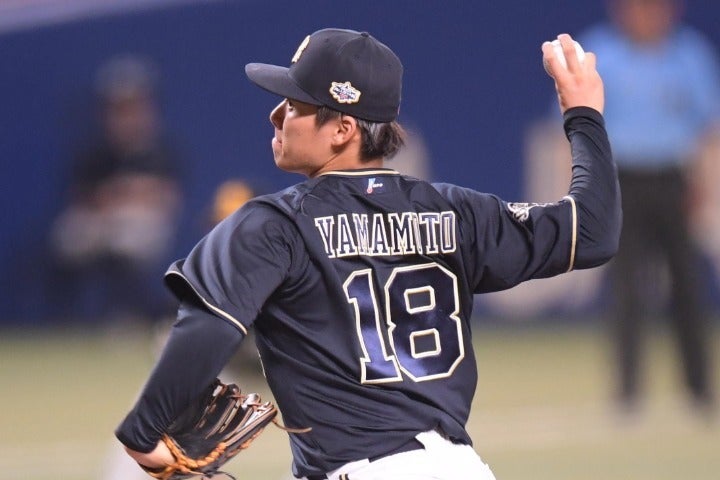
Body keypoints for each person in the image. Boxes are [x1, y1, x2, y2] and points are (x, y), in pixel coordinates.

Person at [115, 29, 620, 479]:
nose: (276, 114)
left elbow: (206, 325)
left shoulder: (275, 224)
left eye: (294, 104)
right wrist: (583, 114)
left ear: (343, 129)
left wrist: (142, 434)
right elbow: (592, 231)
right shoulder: (457, 213)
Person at [578, 0, 720, 416]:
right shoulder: (599, 53)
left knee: (687, 285)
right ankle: (628, 393)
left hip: (673, 180)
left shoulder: (689, 55)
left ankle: (698, 390)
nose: (645, 15)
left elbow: (707, 127)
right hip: (623, 182)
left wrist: (704, 184)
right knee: (626, 288)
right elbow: (580, 124)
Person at [49, 55, 183, 324]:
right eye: (119, 109)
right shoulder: (97, 152)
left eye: (133, 107)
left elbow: (165, 199)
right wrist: (126, 193)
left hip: (141, 224)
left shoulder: (160, 150)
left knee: (128, 238)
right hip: (100, 220)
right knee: (69, 237)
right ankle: (63, 320)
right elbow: (84, 197)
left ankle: (128, 317)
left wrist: (121, 196)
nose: (126, 116)